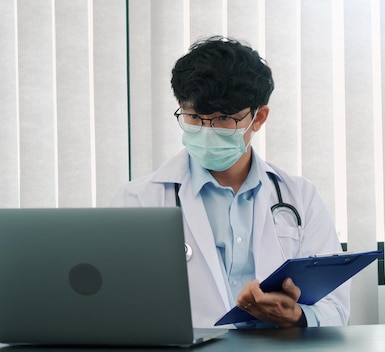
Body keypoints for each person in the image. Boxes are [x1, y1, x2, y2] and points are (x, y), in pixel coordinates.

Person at [110, 36, 349, 329]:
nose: (207, 131)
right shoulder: (138, 201)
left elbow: (335, 307)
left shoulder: (300, 197)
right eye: (194, 117)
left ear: (258, 118)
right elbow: (116, 304)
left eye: (224, 118)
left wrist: (297, 316)